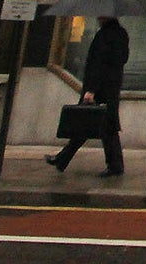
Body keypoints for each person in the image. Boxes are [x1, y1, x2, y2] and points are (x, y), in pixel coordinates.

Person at [47, 15, 128, 176]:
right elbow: (122, 59)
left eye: (101, 15)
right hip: (111, 87)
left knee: (97, 126)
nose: (98, 17)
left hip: (100, 89)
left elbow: (98, 64)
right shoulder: (121, 34)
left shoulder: (104, 36)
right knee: (91, 125)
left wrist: (91, 90)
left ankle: (115, 166)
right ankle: (63, 159)